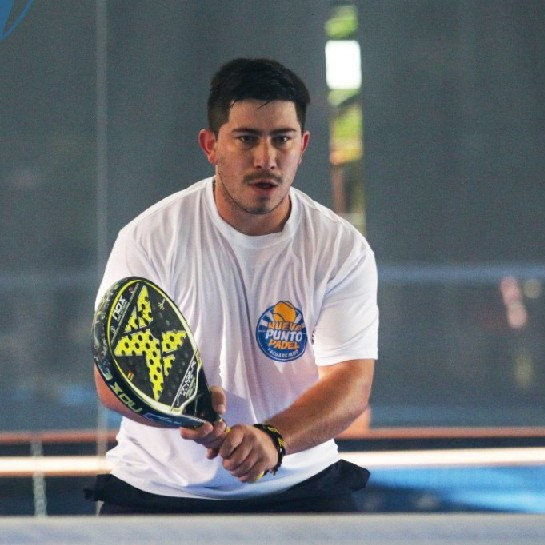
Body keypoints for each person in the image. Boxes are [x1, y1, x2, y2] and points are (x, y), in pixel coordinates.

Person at [86, 58, 378, 514]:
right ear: (211, 146)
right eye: (246, 138)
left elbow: (351, 380)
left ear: (303, 145)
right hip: (157, 491)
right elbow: (111, 379)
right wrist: (184, 410)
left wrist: (273, 439)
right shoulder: (149, 238)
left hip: (301, 488)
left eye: (282, 139)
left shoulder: (341, 248)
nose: (266, 158)